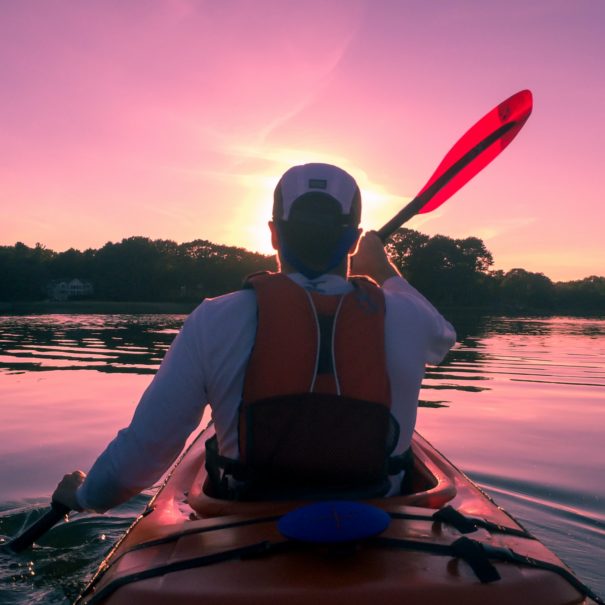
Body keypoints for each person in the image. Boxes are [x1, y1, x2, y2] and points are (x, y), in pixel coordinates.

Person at [53, 163, 456, 511]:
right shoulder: (408, 316)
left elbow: (140, 457)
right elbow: (444, 337)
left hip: (248, 521)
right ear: (353, 239)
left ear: (273, 234)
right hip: (382, 520)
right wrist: (383, 268)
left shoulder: (214, 319)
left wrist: (85, 496)